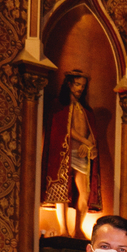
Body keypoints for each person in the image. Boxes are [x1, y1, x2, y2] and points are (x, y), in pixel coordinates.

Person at [42, 70, 103, 239]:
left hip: (81, 154)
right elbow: (65, 129)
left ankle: (78, 229)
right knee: (61, 188)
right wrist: (85, 141)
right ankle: (63, 229)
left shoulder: (86, 110)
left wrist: (90, 143)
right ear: (69, 84)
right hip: (64, 153)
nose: (80, 89)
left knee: (84, 192)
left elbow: (92, 131)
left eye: (83, 86)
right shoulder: (59, 106)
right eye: (77, 85)